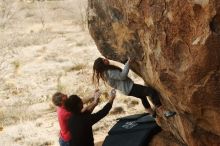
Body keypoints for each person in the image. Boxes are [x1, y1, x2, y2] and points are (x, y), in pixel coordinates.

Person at [92, 57, 175, 118]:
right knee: (151, 91)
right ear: (102, 64)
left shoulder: (105, 73)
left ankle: (152, 113)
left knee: (142, 97)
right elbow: (122, 76)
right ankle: (164, 111)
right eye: (103, 60)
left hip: (127, 90)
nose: (105, 59)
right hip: (130, 88)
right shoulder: (109, 72)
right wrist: (128, 63)